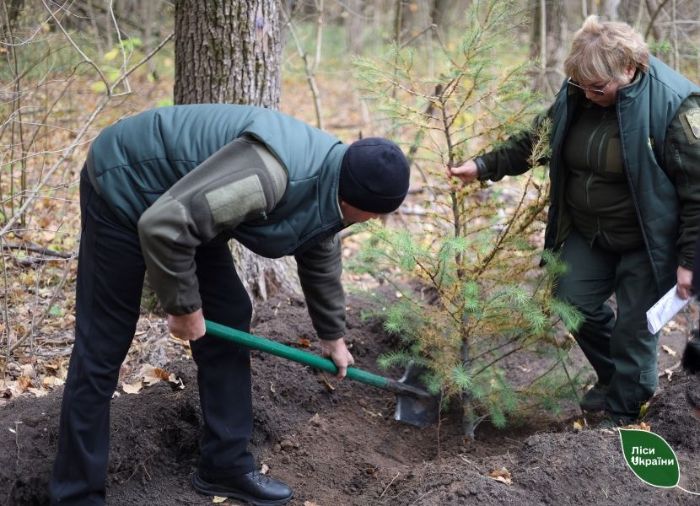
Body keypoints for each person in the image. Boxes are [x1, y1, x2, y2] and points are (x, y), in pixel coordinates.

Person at [50, 104, 411, 505]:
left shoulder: (335, 179)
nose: (376, 220)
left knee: (230, 316)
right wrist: (184, 306)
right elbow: (164, 226)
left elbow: (320, 249)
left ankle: (226, 465)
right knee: (104, 343)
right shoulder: (269, 175)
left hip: (185, 204)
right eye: (376, 214)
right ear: (358, 201)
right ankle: (76, 494)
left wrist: (332, 335)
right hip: (128, 182)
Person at [449, 16, 700, 427]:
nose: (588, 93)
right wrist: (482, 166)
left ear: (630, 68)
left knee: (633, 332)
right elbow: (538, 140)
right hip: (590, 232)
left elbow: (697, 191)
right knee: (569, 300)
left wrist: (690, 259)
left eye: (598, 87)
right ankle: (614, 377)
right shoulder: (578, 94)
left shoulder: (674, 106)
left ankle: (623, 416)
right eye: (582, 84)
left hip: (648, 240)